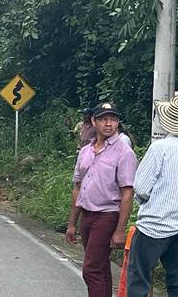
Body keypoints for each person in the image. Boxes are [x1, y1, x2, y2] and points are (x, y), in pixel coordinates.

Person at [65, 102, 138, 297]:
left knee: (91, 269)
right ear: (93, 121)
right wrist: (72, 223)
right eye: (104, 119)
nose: (109, 124)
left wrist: (120, 230)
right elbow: (78, 187)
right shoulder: (86, 151)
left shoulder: (124, 153)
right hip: (87, 215)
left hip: (107, 217)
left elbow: (127, 193)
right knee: (101, 267)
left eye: (113, 119)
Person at [126, 94, 178, 297]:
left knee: (139, 279)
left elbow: (141, 187)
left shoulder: (160, 148)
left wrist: (147, 202)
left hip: (154, 226)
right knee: (176, 282)